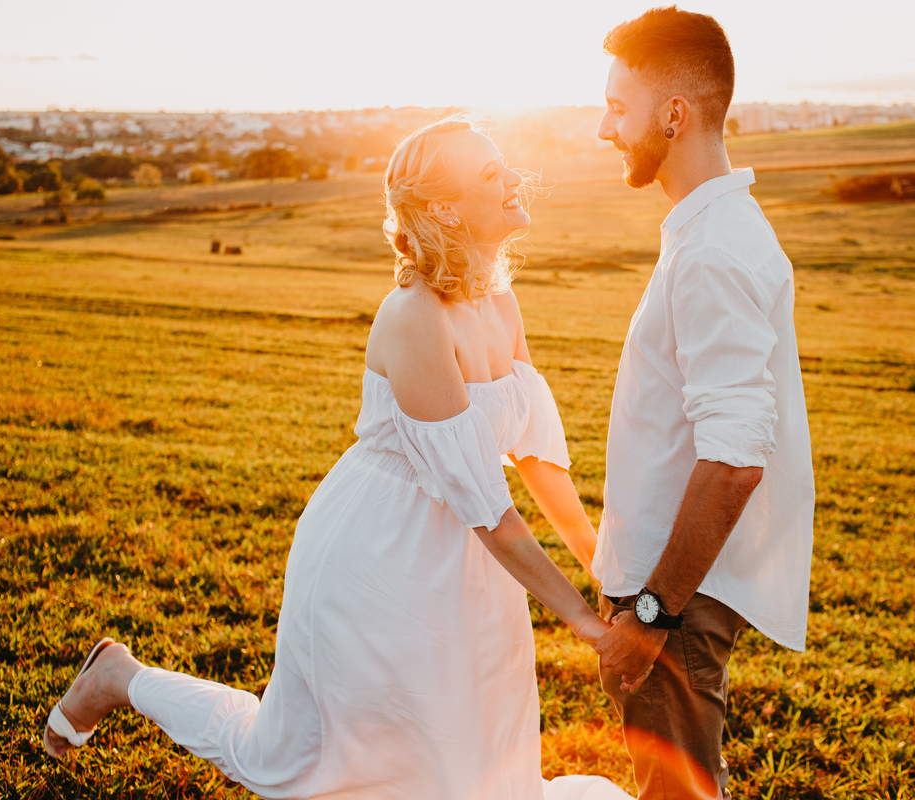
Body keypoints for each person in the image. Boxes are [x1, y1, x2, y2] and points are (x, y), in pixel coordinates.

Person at [41, 116, 639, 800]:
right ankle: (120, 678)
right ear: (445, 209)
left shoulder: (498, 298)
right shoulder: (414, 317)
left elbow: (534, 455)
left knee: (473, 760)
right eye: (489, 173)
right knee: (298, 757)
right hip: (379, 556)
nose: (512, 179)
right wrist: (586, 625)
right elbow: (487, 508)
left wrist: (601, 567)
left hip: (471, 569)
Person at [590, 7, 817, 800]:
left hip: (675, 603)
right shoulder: (708, 231)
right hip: (671, 594)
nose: (604, 129)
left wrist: (650, 614)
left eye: (617, 107)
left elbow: (734, 462)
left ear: (674, 114)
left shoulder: (714, 250)